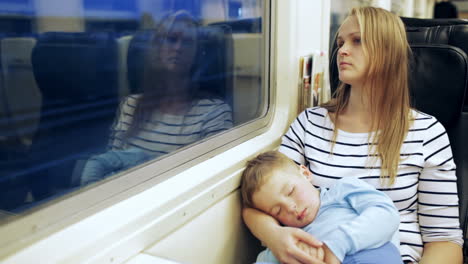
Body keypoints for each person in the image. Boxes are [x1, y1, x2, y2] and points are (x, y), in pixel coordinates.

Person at [243, 6, 463, 264]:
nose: (342, 50)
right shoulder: (308, 123)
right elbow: (261, 202)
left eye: (357, 40)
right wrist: (275, 237)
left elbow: (445, 240)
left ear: (388, 51)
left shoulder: (427, 133)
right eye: (340, 42)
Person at [81, 10, 233, 185]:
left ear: (196, 54)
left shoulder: (214, 113)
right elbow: (110, 165)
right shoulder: (130, 106)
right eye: (171, 39)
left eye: (187, 42)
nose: (177, 47)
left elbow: (209, 182)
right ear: (157, 49)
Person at [241, 151, 403, 264]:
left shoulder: (343, 189)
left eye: (291, 191)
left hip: (371, 253)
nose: (290, 207)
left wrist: (338, 243)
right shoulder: (289, 240)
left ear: (305, 173)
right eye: (278, 211)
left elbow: (386, 213)